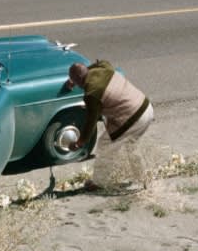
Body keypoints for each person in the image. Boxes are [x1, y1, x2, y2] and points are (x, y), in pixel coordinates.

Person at [66, 59, 154, 189]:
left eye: (74, 80)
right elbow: (101, 61)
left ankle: (99, 183)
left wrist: (80, 142)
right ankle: (144, 180)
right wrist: (76, 78)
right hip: (146, 108)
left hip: (133, 118)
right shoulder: (104, 68)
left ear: (78, 79)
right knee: (131, 145)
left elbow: (91, 122)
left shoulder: (92, 93)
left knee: (104, 144)